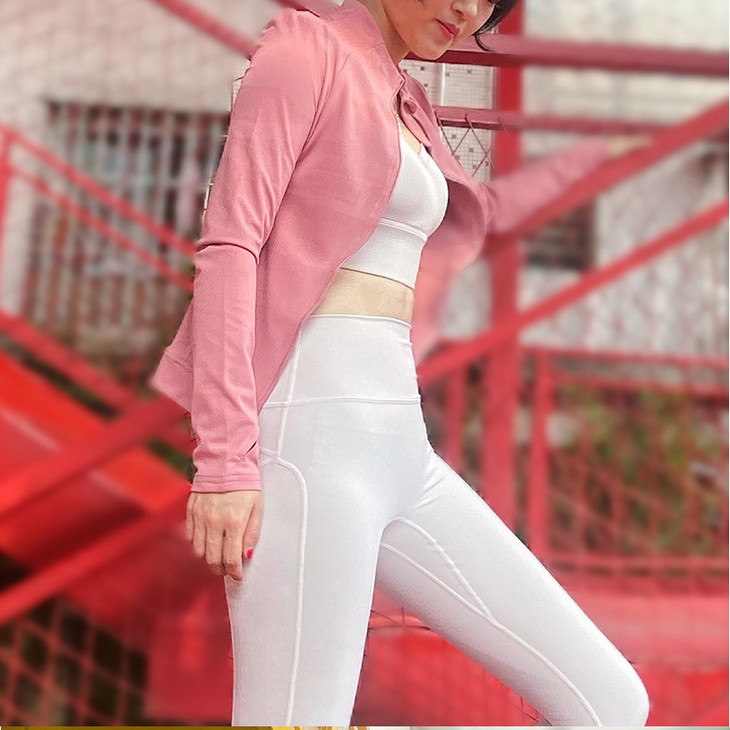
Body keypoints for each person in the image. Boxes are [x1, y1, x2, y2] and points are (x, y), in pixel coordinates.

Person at [149, 0, 653, 725]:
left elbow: (490, 209)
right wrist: (225, 462)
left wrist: (596, 159)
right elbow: (232, 245)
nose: (469, 10)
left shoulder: (405, 99)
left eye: (490, 0)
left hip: (400, 450)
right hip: (307, 439)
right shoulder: (305, 52)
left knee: (607, 700)